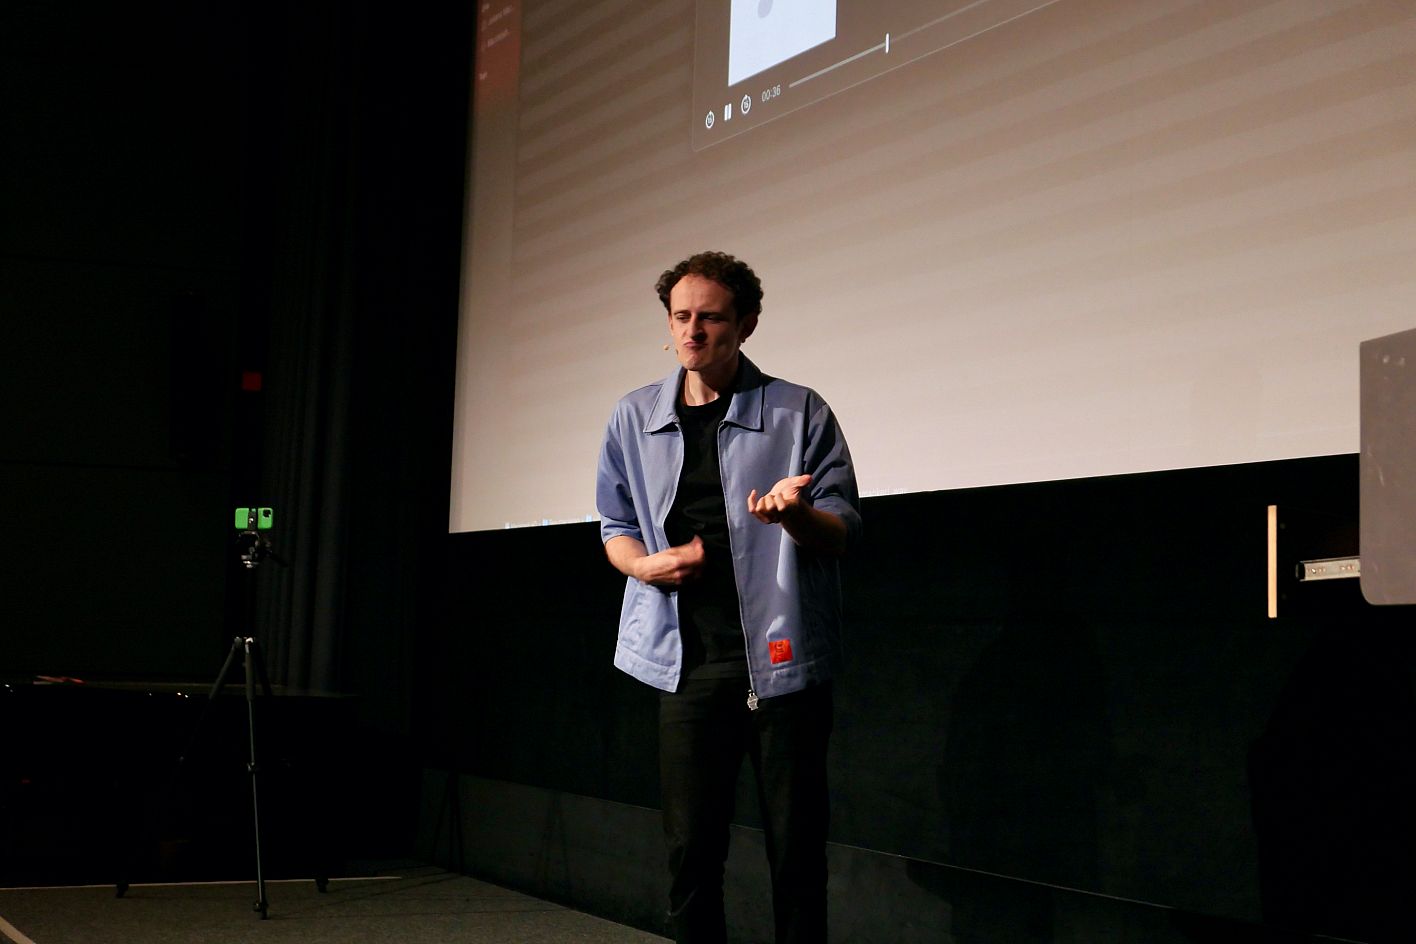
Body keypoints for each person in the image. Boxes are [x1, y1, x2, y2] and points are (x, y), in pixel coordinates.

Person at [596, 251, 861, 943]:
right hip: (686, 664)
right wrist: (645, 567)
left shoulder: (798, 411)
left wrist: (795, 517)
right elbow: (615, 526)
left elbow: (842, 531)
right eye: (680, 316)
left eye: (710, 318)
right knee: (691, 855)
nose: (692, 331)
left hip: (784, 663)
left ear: (746, 325)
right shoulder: (633, 416)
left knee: (796, 855)